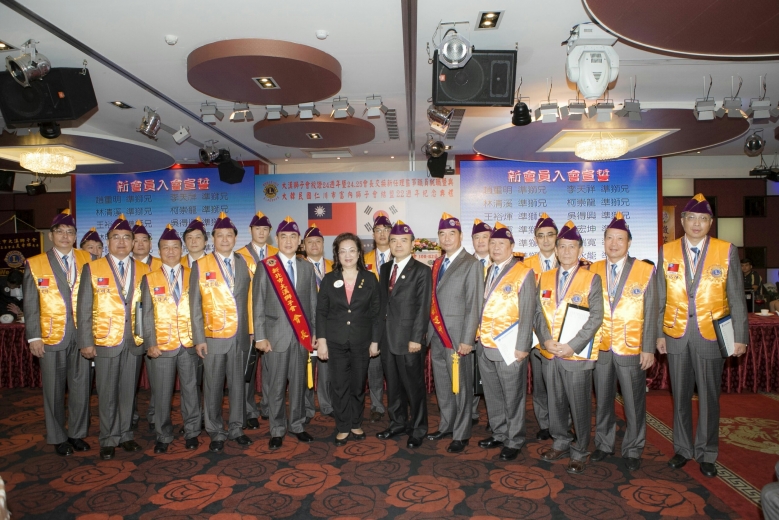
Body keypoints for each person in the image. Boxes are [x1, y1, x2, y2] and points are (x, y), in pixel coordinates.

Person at [657, 194, 748, 477]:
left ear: (711, 223)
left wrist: (740, 337)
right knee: (680, 396)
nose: (697, 223)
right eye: (692, 218)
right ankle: (683, 449)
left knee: (709, 398)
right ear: (683, 221)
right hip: (676, 334)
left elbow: (736, 297)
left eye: (703, 219)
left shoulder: (726, 250)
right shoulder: (667, 251)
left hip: (711, 335)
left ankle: (707, 452)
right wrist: (658, 334)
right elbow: (660, 297)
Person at [77, 214, 150, 460]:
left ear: (133, 242)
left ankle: (126, 434)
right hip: (105, 340)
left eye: (126, 237)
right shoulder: (92, 268)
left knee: (129, 391)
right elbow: (84, 307)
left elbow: (149, 309)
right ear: (108, 241)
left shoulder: (145, 269)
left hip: (134, 340)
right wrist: (85, 341)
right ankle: (108, 438)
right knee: (107, 392)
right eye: (116, 237)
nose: (121, 242)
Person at [534, 220, 604, 474]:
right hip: (550, 353)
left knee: (579, 405)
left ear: (580, 250)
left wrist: (572, 346)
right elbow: (537, 313)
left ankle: (580, 450)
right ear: (555, 249)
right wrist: (545, 340)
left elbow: (596, 317)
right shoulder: (545, 278)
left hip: (576, 355)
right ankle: (561, 441)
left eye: (571, 247)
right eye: (561, 246)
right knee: (555, 403)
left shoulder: (591, 279)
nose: (566, 251)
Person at [589, 212, 657, 471]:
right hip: (601, 347)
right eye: (609, 238)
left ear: (629, 242)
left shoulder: (645, 270)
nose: (614, 243)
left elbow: (651, 311)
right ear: (604, 241)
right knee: (603, 400)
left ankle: (633, 448)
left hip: (631, 347)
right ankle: (603, 444)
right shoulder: (592, 269)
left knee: (634, 402)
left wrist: (648, 348)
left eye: (620, 239)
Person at [23, 209, 92, 456]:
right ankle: (58, 436)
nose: (65, 236)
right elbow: (30, 304)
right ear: (51, 235)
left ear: (75, 236)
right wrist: (34, 336)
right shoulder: (35, 263)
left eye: (70, 232)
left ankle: (76, 433)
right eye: (60, 231)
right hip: (51, 335)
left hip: (82, 335)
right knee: (53, 390)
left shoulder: (88, 259)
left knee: (81, 387)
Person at [189, 211, 253, 453]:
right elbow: (194, 305)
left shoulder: (244, 263)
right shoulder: (200, 265)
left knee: (238, 386)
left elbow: (250, 300)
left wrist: (252, 331)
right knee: (213, 387)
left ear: (235, 238)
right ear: (212, 239)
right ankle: (215, 431)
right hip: (212, 337)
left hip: (239, 336)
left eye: (229, 235)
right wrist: (199, 338)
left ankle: (237, 428)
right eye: (220, 235)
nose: (225, 239)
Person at [253, 216, 318, 450]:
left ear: (299, 240)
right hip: (275, 338)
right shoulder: (266, 266)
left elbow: (313, 303)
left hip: (301, 338)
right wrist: (260, 337)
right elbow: (258, 303)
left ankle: (297, 425)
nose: (288, 241)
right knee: (276, 386)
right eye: (283, 236)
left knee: (299, 385)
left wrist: (314, 333)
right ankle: (277, 429)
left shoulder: (307, 267)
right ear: (277, 239)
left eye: (293, 236)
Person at [475, 222, 536, 461]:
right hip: (486, 344)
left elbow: (528, 311)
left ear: (512, 246)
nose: (496, 247)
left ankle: (515, 439)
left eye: (502, 243)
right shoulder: (488, 270)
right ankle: (499, 433)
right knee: (492, 394)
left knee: (513, 396)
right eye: (493, 243)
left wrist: (522, 346)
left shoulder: (523, 272)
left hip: (510, 347)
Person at [140, 224, 202, 453]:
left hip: (189, 344)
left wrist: (200, 340)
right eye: (165, 248)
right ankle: (163, 435)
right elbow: (145, 314)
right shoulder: (149, 278)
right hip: (162, 346)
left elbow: (201, 310)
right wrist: (150, 343)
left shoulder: (193, 274)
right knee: (162, 394)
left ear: (181, 249)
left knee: (191, 391)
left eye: (175, 247)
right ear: (158, 251)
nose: (171, 251)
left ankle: (192, 431)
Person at [316, 232, 381, 445]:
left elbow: (376, 313)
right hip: (335, 341)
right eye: (342, 251)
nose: (348, 255)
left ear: (359, 253)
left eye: (352, 250)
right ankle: (343, 425)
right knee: (339, 385)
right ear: (336, 254)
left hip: (362, 341)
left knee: (357, 385)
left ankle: (356, 423)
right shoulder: (329, 279)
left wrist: (375, 341)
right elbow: (321, 312)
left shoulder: (370, 279)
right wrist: (322, 342)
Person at [427, 213, 484, 453]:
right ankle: (446, 425)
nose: (447, 238)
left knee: (460, 387)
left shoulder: (471, 264)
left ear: (461, 236)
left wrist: (468, 339)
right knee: (442, 385)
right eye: (442, 234)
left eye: (452, 233)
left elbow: (474, 305)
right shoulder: (437, 263)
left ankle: (461, 433)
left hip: (458, 338)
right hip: (437, 336)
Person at [376, 220, 432, 449]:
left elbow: (423, 307)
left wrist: (416, 338)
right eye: (394, 240)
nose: (398, 245)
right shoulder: (385, 269)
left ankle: (418, 428)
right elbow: (383, 305)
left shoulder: (422, 271)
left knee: (413, 387)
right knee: (393, 386)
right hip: (387, 339)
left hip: (409, 340)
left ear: (412, 244)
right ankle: (397, 422)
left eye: (403, 240)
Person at [236, 211, 277, 430]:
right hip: (245, 320)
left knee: (272, 368)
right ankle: (249, 409)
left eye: (265, 229)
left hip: (271, 321)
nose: (261, 232)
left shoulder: (278, 254)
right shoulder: (238, 256)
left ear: (269, 232)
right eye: (257, 229)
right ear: (250, 230)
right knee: (248, 370)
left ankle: (270, 406)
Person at [523, 212, 559, 442]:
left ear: (557, 237)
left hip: (562, 335)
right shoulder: (525, 266)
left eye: (550, 235)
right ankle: (544, 423)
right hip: (536, 335)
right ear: (535, 239)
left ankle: (563, 422)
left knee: (563, 383)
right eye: (541, 235)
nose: (545, 240)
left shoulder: (568, 260)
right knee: (541, 383)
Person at [131, 220, 162, 430]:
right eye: (136, 240)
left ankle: (155, 414)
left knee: (159, 379)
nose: (140, 244)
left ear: (151, 244)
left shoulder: (161, 264)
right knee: (128, 379)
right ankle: (130, 415)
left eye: (145, 240)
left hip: (156, 330)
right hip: (128, 331)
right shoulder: (123, 265)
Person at [302, 223, 334, 421]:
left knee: (327, 370)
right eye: (310, 242)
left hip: (330, 328)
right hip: (304, 327)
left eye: (318, 241)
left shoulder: (334, 266)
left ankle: (327, 405)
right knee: (305, 369)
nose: (314, 245)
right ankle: (307, 407)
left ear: (323, 244)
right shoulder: (297, 267)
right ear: (303, 245)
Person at [362, 214, 392, 423]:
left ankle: (398, 406)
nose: (382, 234)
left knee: (395, 370)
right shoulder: (363, 260)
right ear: (373, 235)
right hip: (371, 324)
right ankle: (376, 406)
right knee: (373, 368)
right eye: (378, 230)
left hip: (395, 324)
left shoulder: (400, 257)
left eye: (386, 230)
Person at [469, 219, 492, 425]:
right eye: (477, 237)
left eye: (485, 237)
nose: (481, 241)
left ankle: (495, 419)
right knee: (469, 375)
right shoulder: (465, 264)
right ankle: (471, 413)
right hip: (468, 332)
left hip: (495, 334)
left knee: (493, 378)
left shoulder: (502, 265)